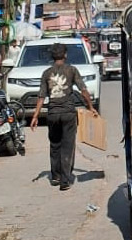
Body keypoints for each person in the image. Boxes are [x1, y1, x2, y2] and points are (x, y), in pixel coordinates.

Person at [30, 43, 98, 191]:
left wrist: (35, 116)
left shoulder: (47, 73)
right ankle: (65, 181)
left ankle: (55, 176)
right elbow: (83, 90)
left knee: (55, 145)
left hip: (53, 114)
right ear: (65, 55)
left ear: (52, 56)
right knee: (67, 146)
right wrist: (90, 107)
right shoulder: (72, 70)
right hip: (68, 113)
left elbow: (41, 96)